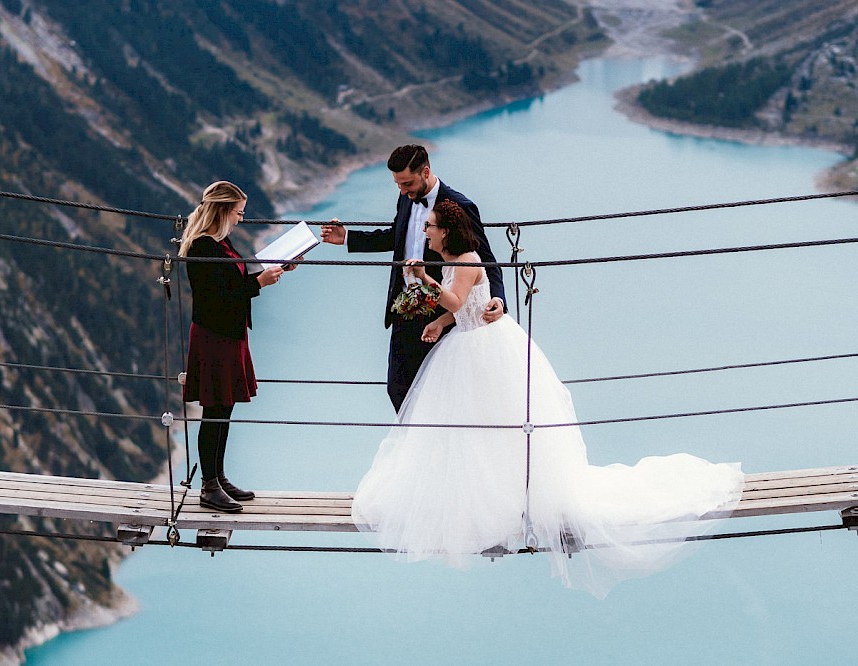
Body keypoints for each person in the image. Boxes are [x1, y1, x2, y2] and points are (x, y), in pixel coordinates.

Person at [350, 199, 744, 598]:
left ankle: (507, 500)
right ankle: (488, 496)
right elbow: (461, 308)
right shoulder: (454, 259)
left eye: (430, 226)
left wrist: (424, 281)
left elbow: (455, 298)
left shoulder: (467, 259)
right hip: (466, 344)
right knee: (479, 430)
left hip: (483, 350)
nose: (425, 232)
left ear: (447, 231)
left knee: (496, 425)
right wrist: (437, 320)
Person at [320, 144, 506, 412]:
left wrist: (498, 299)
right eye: (397, 184)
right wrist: (348, 237)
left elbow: (486, 259)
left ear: (426, 172)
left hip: (442, 314)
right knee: (398, 388)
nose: (402, 191)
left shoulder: (459, 206)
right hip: (405, 307)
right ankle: (415, 449)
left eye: (407, 183)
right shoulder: (405, 197)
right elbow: (397, 236)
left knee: (439, 393)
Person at [178, 181, 293, 513]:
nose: (242, 219)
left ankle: (218, 477)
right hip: (215, 335)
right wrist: (259, 282)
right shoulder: (203, 247)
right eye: (239, 212)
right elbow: (217, 298)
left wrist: (270, 272)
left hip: (227, 334)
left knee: (223, 408)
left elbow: (230, 284)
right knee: (214, 410)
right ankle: (208, 487)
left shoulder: (218, 241)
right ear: (223, 210)